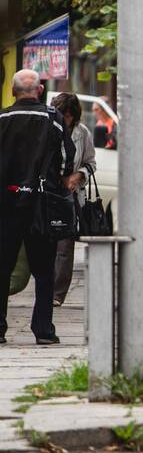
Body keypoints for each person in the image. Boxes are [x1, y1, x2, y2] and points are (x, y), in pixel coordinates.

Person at [0, 69, 75, 345]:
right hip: (40, 205)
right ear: (40, 91)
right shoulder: (52, 119)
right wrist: (60, 177)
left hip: (5, 204)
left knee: (2, 267)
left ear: (12, 91)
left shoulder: (2, 118)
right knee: (44, 270)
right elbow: (68, 157)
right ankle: (43, 330)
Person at [50, 93, 96, 306]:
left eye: (69, 116)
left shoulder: (82, 132)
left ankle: (57, 294)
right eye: (63, 115)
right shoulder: (47, 128)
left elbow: (91, 163)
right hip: (48, 193)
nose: (66, 119)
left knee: (65, 247)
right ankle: (45, 286)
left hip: (70, 196)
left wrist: (77, 176)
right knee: (45, 244)